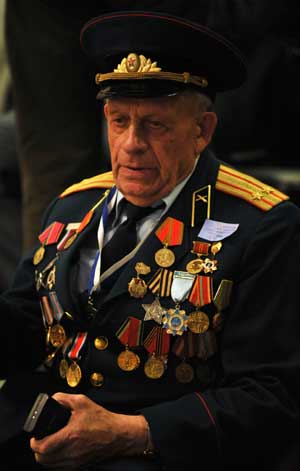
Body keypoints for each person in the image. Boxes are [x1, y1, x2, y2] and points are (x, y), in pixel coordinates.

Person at [1, 10, 300, 471]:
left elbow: (273, 397)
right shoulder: (73, 206)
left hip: (159, 453)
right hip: (44, 435)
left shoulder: (265, 227)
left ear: (201, 131)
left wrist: (131, 434)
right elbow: (27, 327)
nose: (131, 144)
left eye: (154, 125)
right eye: (119, 121)